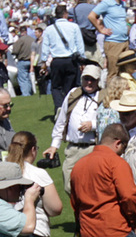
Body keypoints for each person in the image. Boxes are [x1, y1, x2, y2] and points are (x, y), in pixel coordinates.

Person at [5, 131, 61, 237]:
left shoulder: (0, 171)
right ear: (33, 150)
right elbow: (56, 208)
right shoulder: (39, 174)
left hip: (7, 231)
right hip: (34, 232)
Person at [44, 65, 103, 196]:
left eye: (92, 79)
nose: (89, 82)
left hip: (93, 149)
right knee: (69, 186)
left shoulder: (104, 97)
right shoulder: (73, 94)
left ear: (98, 81)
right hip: (73, 150)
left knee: (92, 188)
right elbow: (61, 120)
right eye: (86, 79)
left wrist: (93, 125)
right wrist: (54, 145)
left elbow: (111, 122)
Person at [41, 4, 86, 111]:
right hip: (71, 60)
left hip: (57, 60)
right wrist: (83, 60)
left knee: (56, 86)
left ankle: (59, 106)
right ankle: (70, 107)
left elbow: (45, 47)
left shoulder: (49, 29)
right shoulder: (74, 26)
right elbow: (80, 45)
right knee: (70, 86)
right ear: (65, 14)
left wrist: (43, 62)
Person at [91, 0, 133, 77]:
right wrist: (101, 30)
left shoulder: (122, 4)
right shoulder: (106, 4)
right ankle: (111, 91)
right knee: (113, 72)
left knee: (125, 72)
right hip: (113, 42)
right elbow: (91, 16)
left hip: (124, 41)